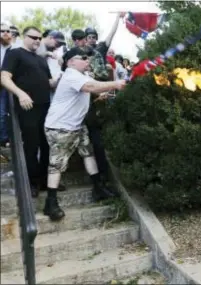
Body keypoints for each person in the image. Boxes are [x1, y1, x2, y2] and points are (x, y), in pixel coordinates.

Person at [43, 47, 126, 221]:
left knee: (88, 153)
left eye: (88, 57)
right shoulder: (71, 74)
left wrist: (103, 93)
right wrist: (116, 84)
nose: (87, 60)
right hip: (60, 128)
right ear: (70, 62)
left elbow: (93, 87)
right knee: (57, 164)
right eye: (82, 57)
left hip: (77, 126)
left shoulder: (81, 76)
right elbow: (90, 86)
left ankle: (98, 188)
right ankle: (50, 203)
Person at [1, 26, 60, 197]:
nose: (37, 40)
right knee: (31, 145)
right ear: (24, 37)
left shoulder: (41, 59)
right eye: (33, 37)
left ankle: (43, 181)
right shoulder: (15, 53)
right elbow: (4, 77)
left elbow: (49, 82)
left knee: (46, 144)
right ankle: (32, 183)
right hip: (28, 107)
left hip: (46, 107)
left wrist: (61, 78)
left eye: (39, 38)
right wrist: (20, 94)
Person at [0, 23, 13, 147]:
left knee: (4, 113)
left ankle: (4, 139)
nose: (5, 33)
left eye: (7, 31)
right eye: (2, 30)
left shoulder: (15, 49)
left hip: (11, 85)